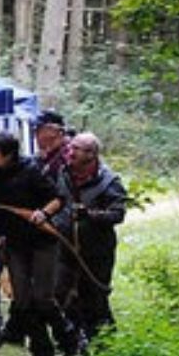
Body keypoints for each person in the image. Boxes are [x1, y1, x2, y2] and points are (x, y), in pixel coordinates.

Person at [0, 131, 82, 356]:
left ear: (8, 154)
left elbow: (58, 198)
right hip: (15, 243)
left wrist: (44, 213)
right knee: (23, 299)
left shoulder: (31, 171)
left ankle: (71, 342)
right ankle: (42, 353)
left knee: (43, 298)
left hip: (42, 242)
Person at [58, 132, 127, 343]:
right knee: (65, 295)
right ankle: (73, 343)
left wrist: (90, 214)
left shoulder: (109, 181)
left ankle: (103, 344)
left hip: (97, 251)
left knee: (95, 297)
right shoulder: (64, 173)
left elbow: (118, 214)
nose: (69, 152)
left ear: (90, 154)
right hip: (66, 247)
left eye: (75, 149)